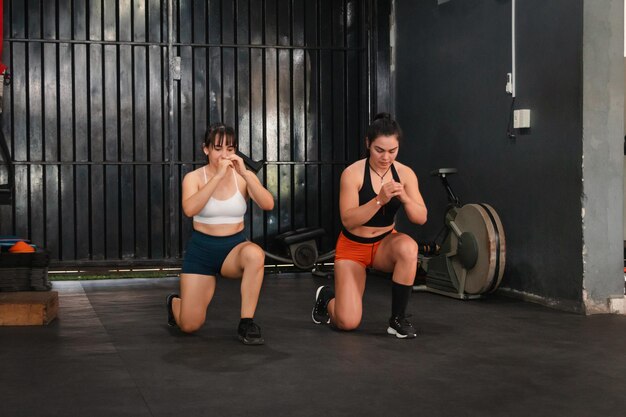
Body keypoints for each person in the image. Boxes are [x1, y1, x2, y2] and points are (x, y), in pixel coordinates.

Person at [311, 113, 427, 339]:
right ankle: (327, 298)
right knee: (347, 322)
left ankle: (397, 320)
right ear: (367, 144)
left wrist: (405, 198)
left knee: (409, 248)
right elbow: (348, 220)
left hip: (384, 244)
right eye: (379, 150)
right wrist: (379, 200)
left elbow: (421, 217)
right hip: (353, 247)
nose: (386, 157)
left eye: (392, 151)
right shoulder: (352, 174)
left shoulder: (405, 173)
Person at [166, 123, 274, 345]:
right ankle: (175, 303)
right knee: (189, 325)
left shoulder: (242, 176)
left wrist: (245, 173)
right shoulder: (194, 178)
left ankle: (246, 323)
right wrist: (216, 177)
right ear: (206, 149)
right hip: (201, 253)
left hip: (233, 251)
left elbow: (268, 204)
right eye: (218, 148)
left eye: (230, 149)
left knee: (255, 254)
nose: (224, 155)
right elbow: (189, 209)